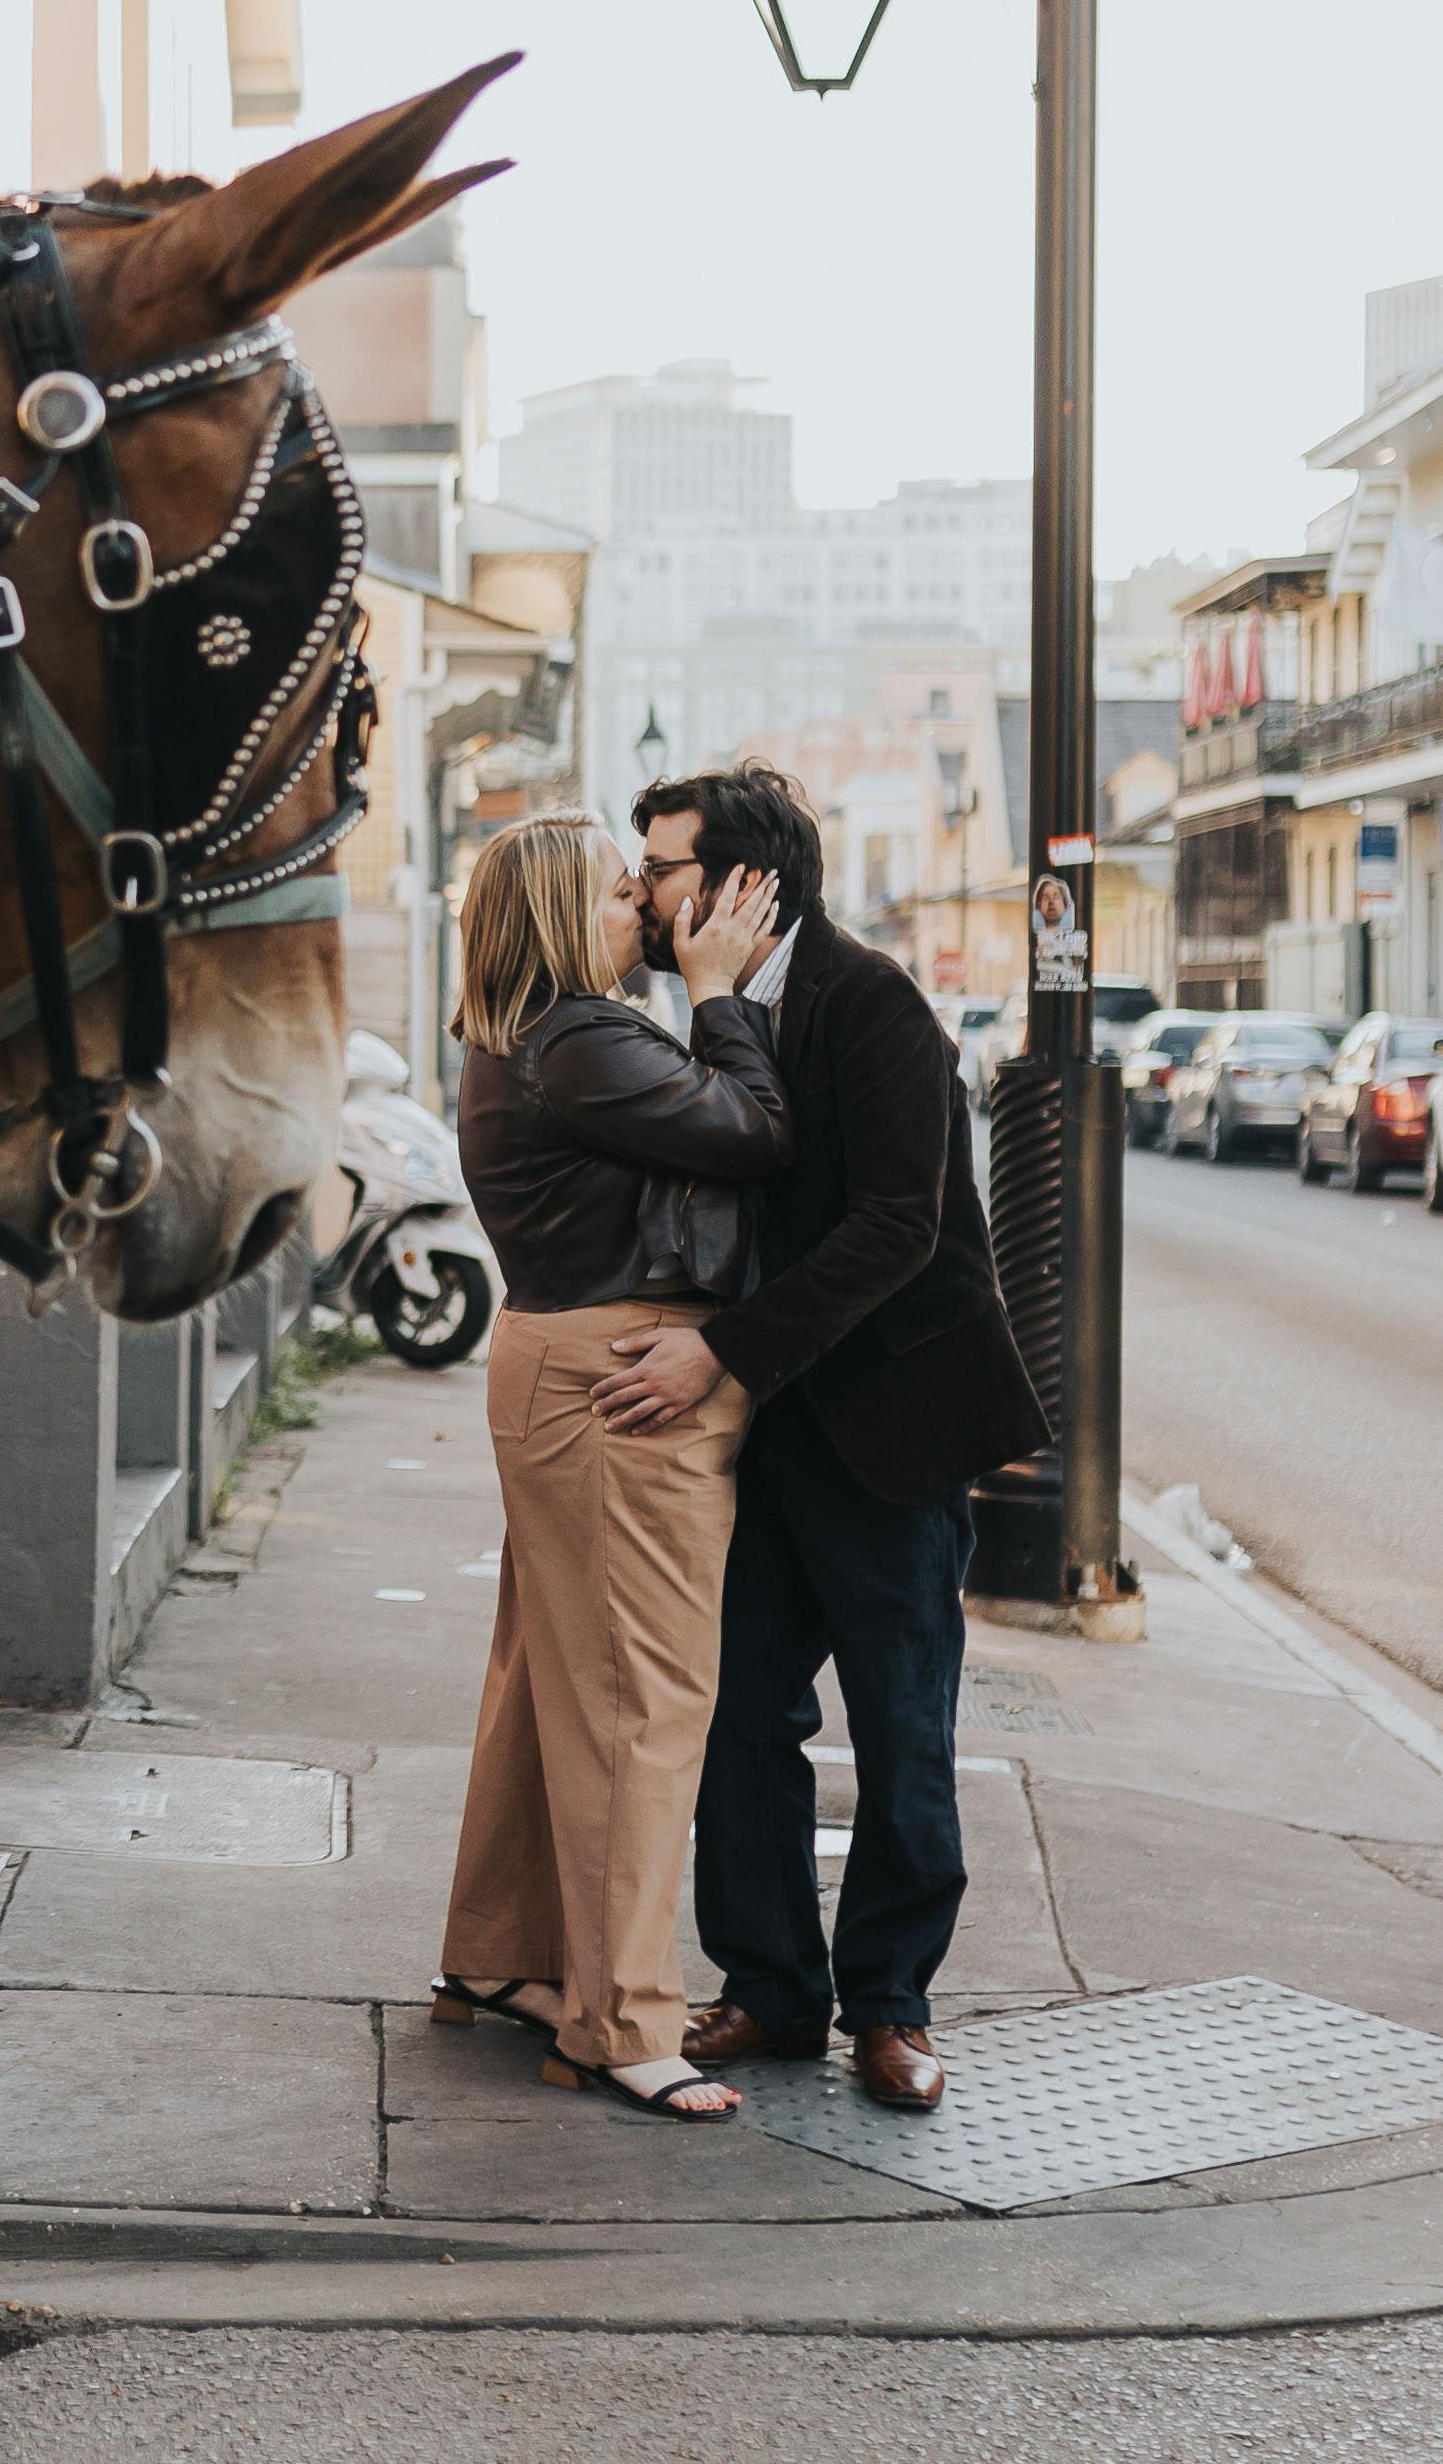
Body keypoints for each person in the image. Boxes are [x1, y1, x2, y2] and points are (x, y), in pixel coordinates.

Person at [592, 765, 1048, 2115]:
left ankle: (890, 2009)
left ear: (744, 884)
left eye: (664, 868)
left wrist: (719, 1349)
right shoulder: (708, 1006)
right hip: (765, 1428)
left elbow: (893, 1228)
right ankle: (775, 1990)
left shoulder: (874, 1004)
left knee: (903, 1724)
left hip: (891, 1427)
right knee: (740, 1715)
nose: (647, 893)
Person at [433, 809, 789, 2123]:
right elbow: (753, 1133)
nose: (641, 905)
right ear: (548, 917)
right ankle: (620, 2022)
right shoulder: (577, 1040)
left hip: (567, 1367)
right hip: (618, 1387)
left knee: (546, 1686)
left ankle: (502, 1958)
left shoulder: (526, 1036)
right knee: (643, 1700)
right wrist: (717, 995)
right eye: (614, 890)